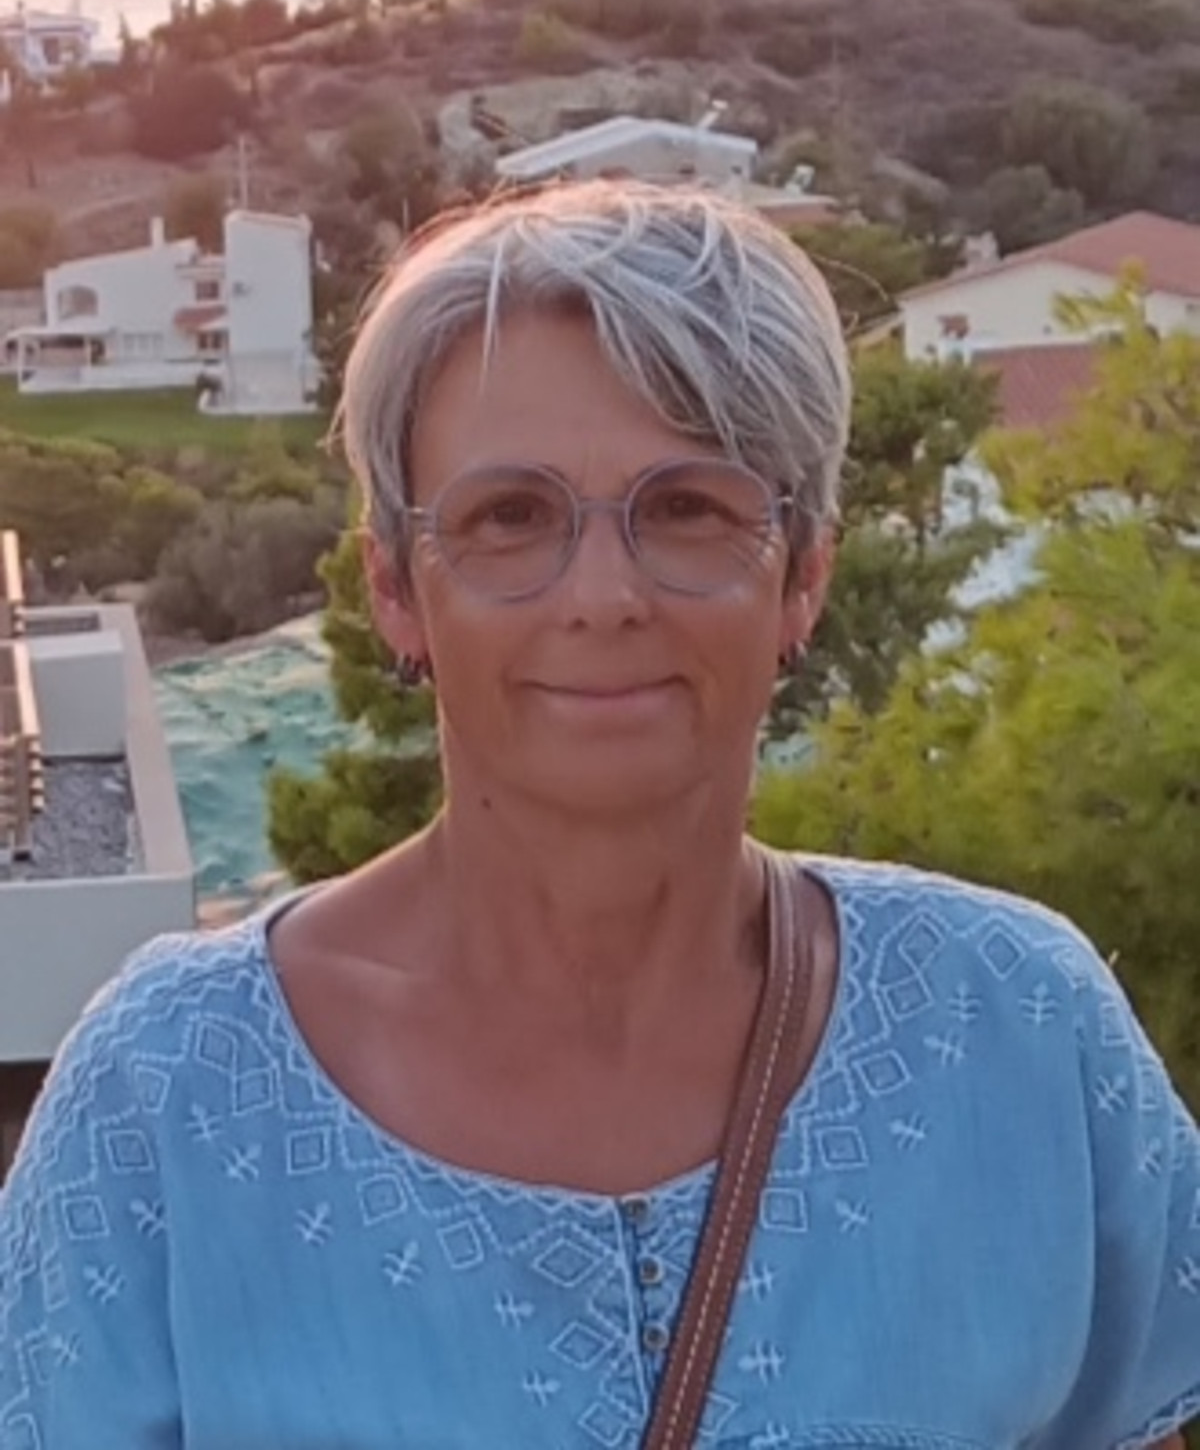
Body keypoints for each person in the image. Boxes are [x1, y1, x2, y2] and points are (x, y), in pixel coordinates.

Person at [1, 180, 1196, 1449]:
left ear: (803, 573)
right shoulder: (170, 1101)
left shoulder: (1018, 1028)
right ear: (395, 586)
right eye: (511, 516)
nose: (604, 594)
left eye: (688, 507)